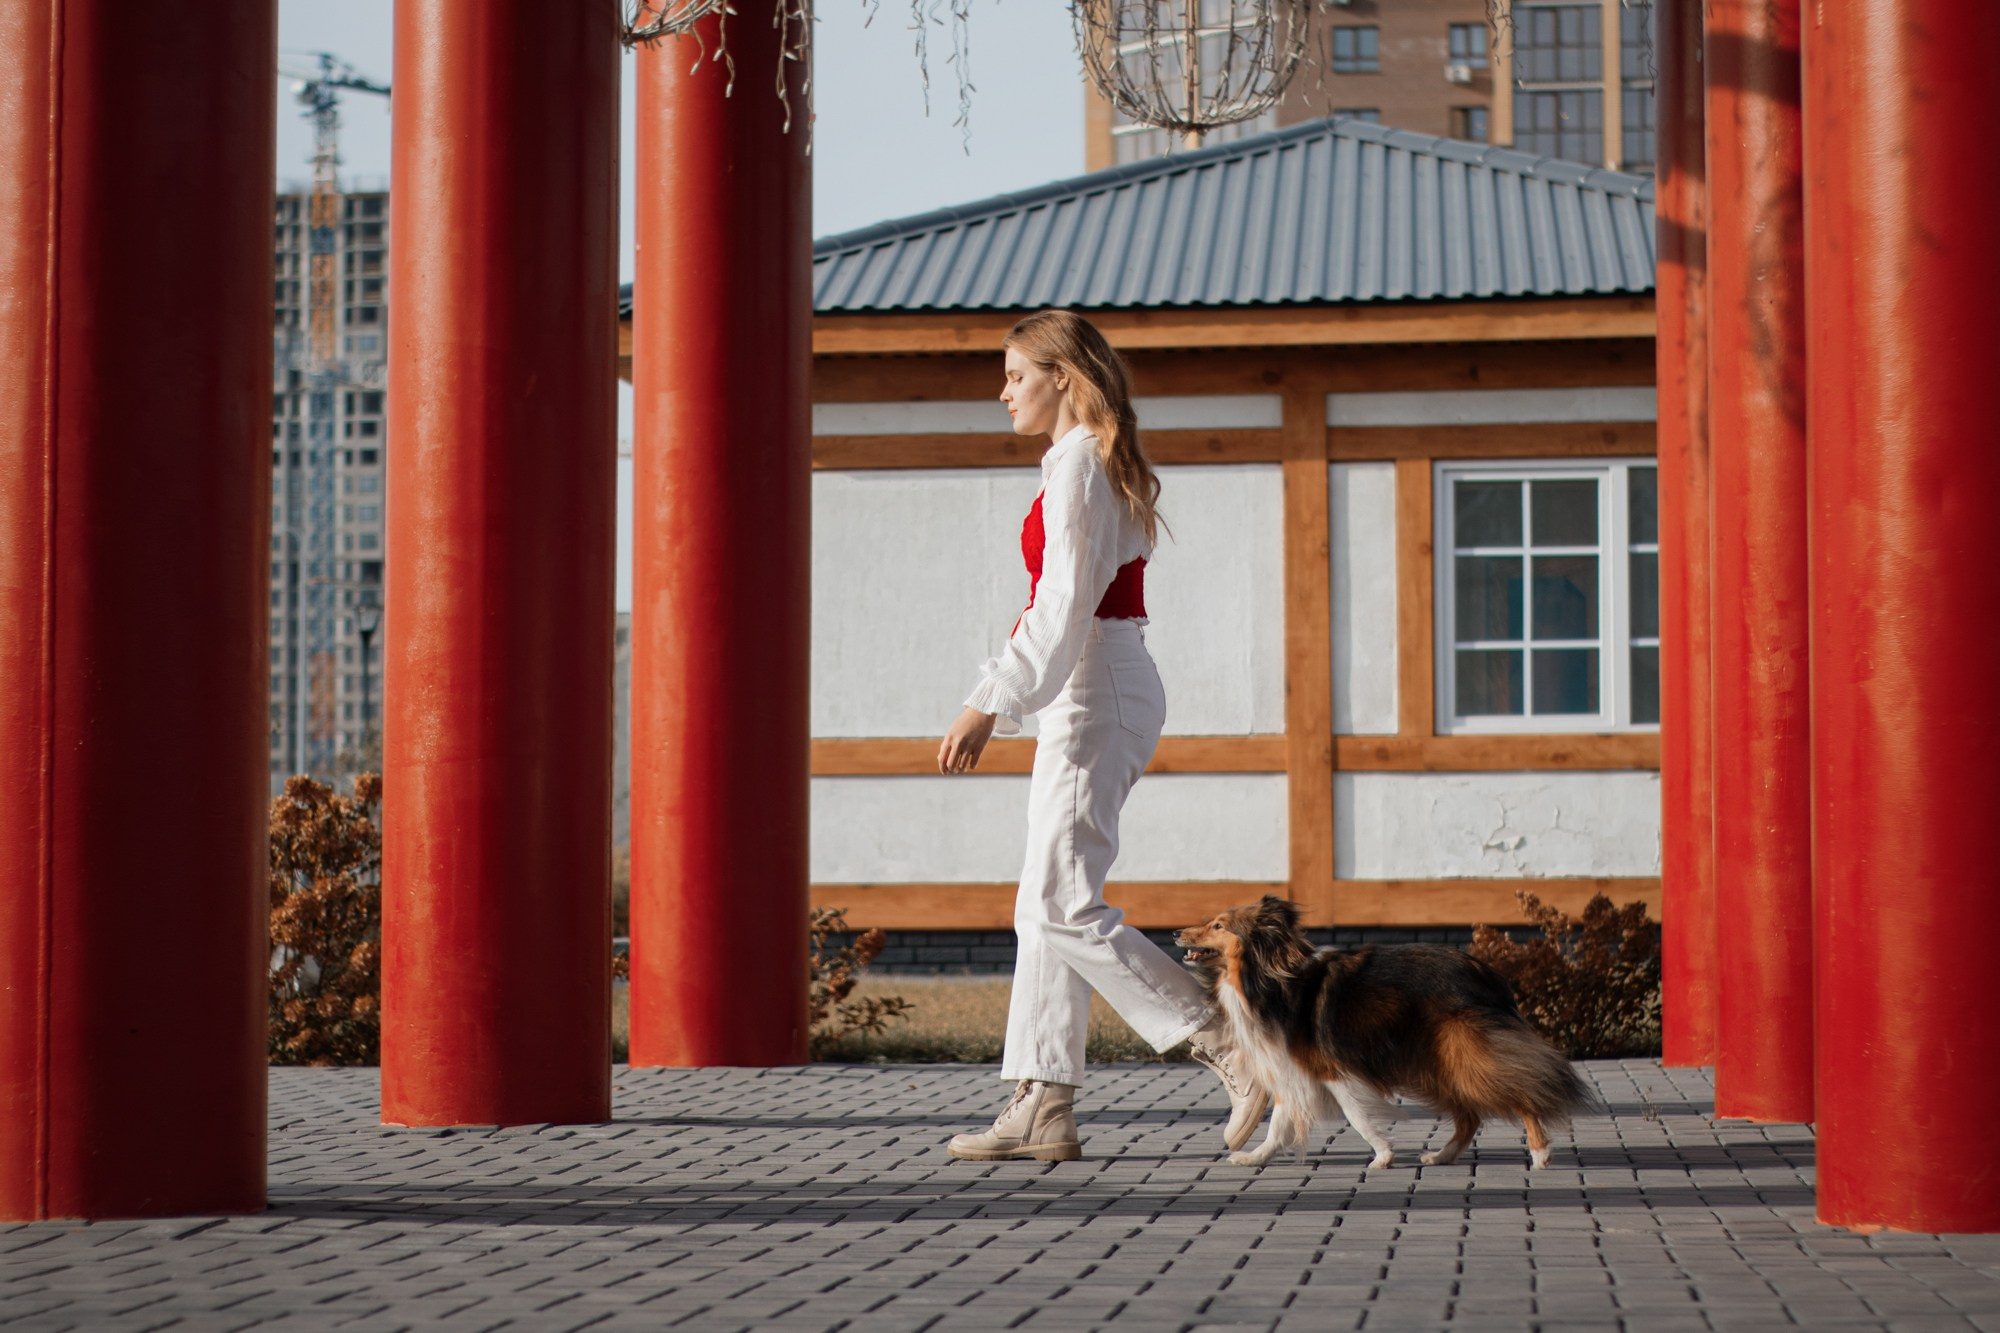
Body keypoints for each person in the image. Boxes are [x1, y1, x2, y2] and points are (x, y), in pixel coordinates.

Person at [936, 309, 1267, 1162]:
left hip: (1095, 687)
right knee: (1043, 902)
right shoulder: (1076, 461)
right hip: (1088, 688)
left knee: (1062, 902)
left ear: (1062, 375)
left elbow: (1061, 605)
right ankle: (1043, 1103)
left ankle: (1229, 1044)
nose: (1003, 392)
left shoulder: (1081, 464)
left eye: (1016, 375)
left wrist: (989, 700)